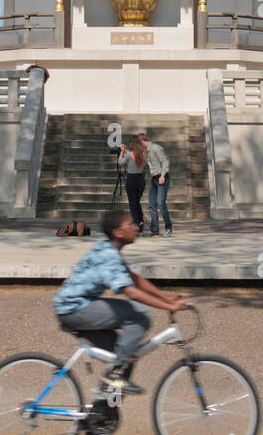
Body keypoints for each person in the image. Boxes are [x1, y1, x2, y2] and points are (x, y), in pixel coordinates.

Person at [54, 210, 189, 394]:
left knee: (126, 356)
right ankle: (115, 376)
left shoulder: (109, 250)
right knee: (139, 315)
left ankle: (104, 412)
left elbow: (134, 279)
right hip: (74, 308)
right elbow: (131, 292)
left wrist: (165, 298)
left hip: (79, 307)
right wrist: (169, 307)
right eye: (131, 224)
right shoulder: (108, 256)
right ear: (118, 232)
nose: (136, 227)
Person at [139, 130, 172, 237]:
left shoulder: (156, 148)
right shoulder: (146, 151)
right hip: (154, 179)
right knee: (151, 204)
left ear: (142, 141)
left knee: (160, 202)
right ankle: (155, 230)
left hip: (162, 177)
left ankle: (168, 227)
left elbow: (165, 161)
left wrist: (162, 175)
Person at [117, 135, 147, 234]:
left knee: (133, 204)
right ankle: (141, 223)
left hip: (131, 180)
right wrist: (127, 153)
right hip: (141, 180)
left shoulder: (129, 154)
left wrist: (122, 152)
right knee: (137, 202)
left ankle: (135, 225)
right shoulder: (143, 153)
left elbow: (120, 162)